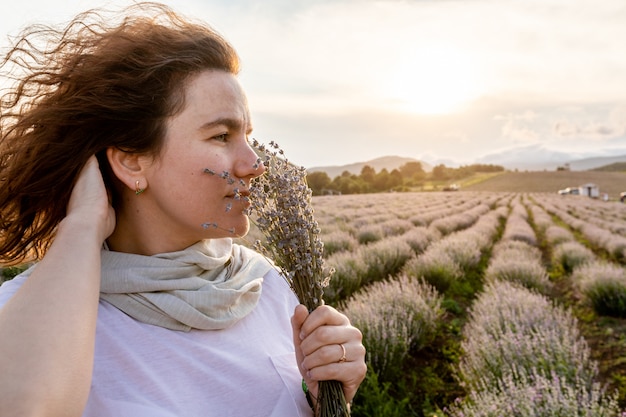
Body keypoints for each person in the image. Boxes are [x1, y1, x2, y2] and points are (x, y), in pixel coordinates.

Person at [0, 3, 367, 416]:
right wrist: (83, 224)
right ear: (132, 162)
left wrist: (325, 400)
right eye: (222, 135)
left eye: (248, 135)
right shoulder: (27, 314)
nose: (255, 164)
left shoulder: (267, 286)